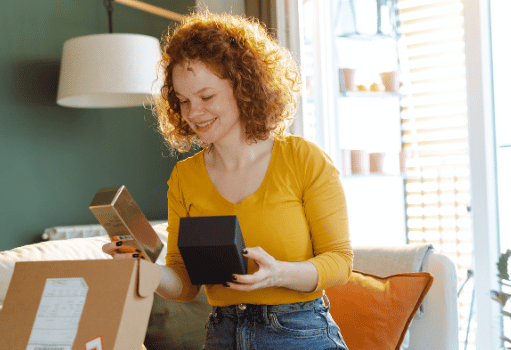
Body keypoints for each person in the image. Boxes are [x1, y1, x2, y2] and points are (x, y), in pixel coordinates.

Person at [103, 12, 352, 350]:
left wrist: (279, 273)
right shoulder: (184, 177)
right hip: (223, 333)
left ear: (245, 86)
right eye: (184, 100)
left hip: (299, 330)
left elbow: (339, 262)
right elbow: (185, 282)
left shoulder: (304, 160)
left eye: (206, 97)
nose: (193, 113)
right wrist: (143, 270)